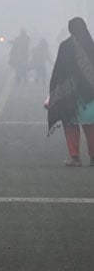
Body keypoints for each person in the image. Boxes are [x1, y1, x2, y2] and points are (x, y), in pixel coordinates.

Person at [47, 17, 94, 167]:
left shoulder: (65, 46)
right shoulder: (91, 45)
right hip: (90, 95)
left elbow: (58, 71)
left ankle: (75, 157)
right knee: (91, 125)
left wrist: (54, 91)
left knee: (70, 124)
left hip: (70, 94)